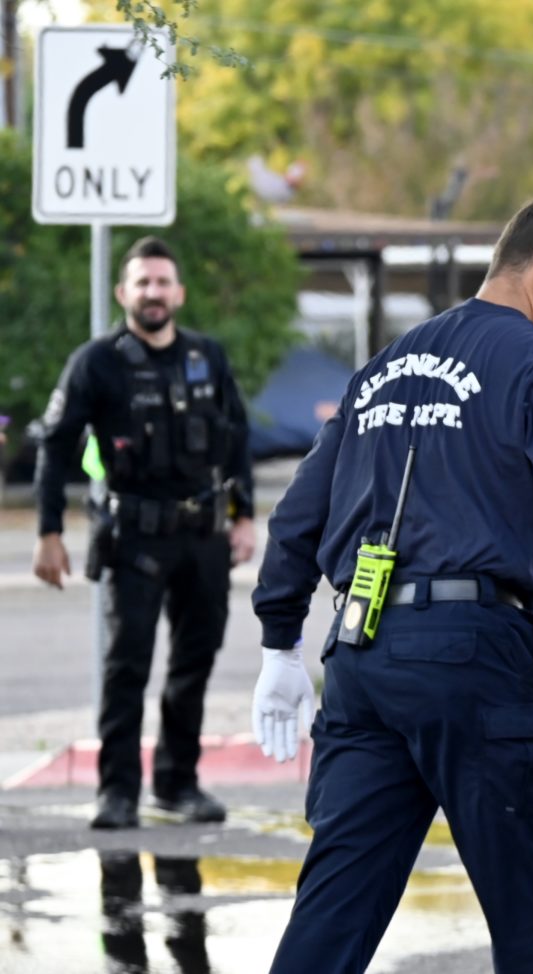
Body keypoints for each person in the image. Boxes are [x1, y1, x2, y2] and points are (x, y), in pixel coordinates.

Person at [249, 195, 533, 974]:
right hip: (472, 662)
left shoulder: (384, 368)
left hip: (362, 661)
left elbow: (299, 515)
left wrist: (279, 644)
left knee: (330, 920)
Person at [32, 235, 256, 830]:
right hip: (133, 539)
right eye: (142, 283)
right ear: (122, 293)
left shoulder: (207, 356)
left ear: (178, 293)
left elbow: (237, 439)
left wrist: (244, 516)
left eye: (162, 282)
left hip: (204, 537)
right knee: (126, 667)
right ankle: (117, 792)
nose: (152, 293)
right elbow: (54, 447)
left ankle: (177, 784)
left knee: (194, 661)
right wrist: (49, 531)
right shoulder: (96, 362)